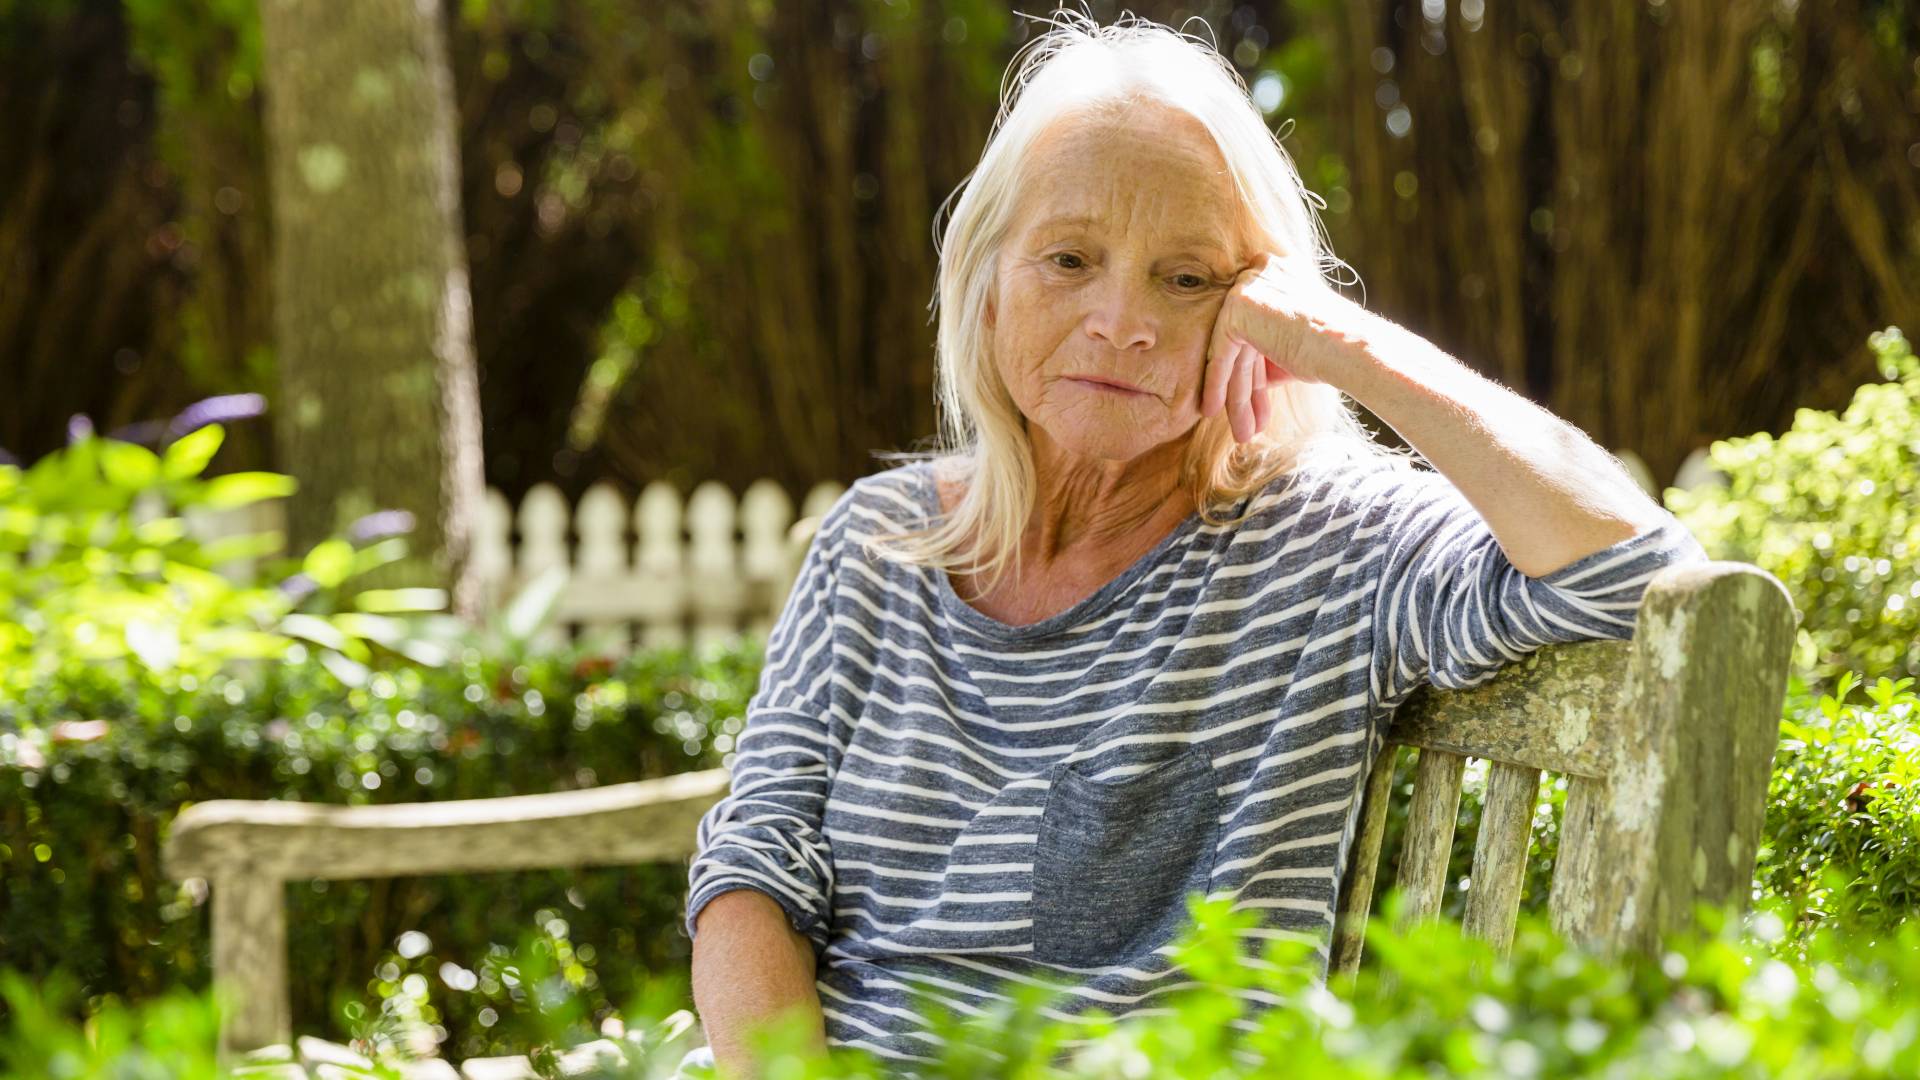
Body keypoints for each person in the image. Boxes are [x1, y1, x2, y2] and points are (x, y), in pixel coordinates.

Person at [677, 9, 1709, 1078]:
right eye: (1070, 258)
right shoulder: (880, 540)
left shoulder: (1331, 543)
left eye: (1188, 279)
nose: (1122, 320)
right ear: (985, 286)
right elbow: (755, 866)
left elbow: (1638, 574)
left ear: (1254, 307)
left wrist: (1337, 340)